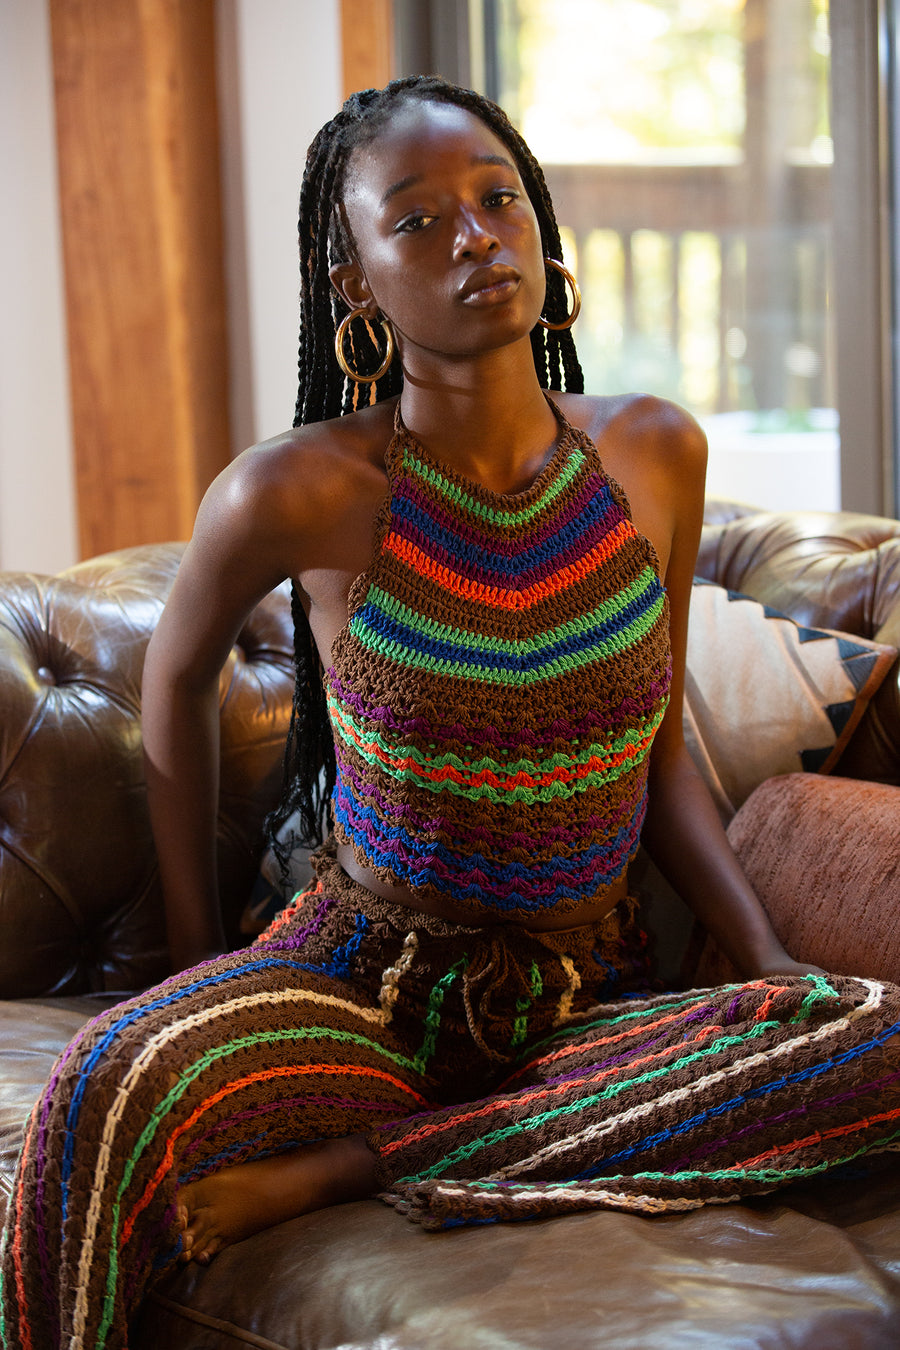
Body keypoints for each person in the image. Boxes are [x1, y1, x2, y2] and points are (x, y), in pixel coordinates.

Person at [2, 75, 899, 1350]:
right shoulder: (297, 490)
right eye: (417, 221)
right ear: (354, 281)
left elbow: (655, 750)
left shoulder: (653, 453)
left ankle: (370, 1163)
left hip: (586, 1000)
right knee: (106, 1083)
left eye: (497, 199)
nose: (475, 234)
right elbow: (176, 678)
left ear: (540, 227)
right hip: (362, 984)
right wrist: (196, 952)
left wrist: (763, 959)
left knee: (874, 1030)